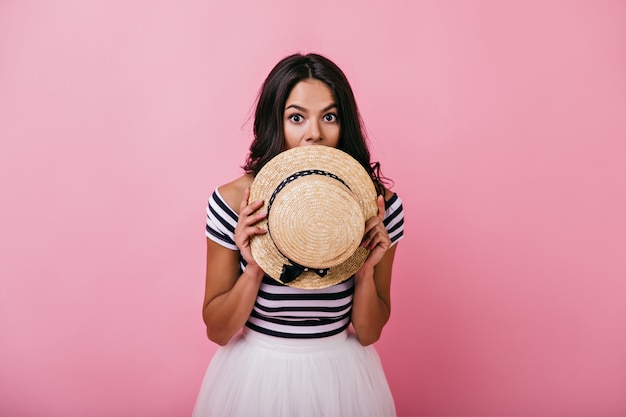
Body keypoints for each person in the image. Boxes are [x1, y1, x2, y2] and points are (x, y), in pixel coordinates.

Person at [193, 53, 405, 417]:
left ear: (344, 123)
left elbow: (369, 333)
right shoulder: (233, 202)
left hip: (341, 379)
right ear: (275, 122)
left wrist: (366, 267)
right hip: (257, 378)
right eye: (296, 117)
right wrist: (256, 264)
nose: (314, 133)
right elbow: (218, 330)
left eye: (329, 116)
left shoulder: (378, 207)